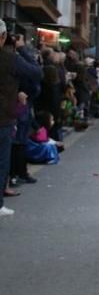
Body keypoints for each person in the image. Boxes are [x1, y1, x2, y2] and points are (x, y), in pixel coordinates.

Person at [0, 26, 42, 216]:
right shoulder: (9, 59)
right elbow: (35, 72)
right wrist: (23, 49)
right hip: (3, 118)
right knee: (2, 160)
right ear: (3, 37)